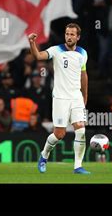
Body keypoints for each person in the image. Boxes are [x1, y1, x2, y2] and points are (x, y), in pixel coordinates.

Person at [28, 23, 90, 174]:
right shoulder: (56, 50)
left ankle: (78, 166)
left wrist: (85, 95)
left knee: (81, 129)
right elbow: (38, 56)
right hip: (60, 98)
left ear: (78, 37)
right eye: (67, 34)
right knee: (59, 134)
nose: (69, 37)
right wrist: (32, 43)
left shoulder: (83, 53)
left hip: (76, 97)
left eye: (72, 34)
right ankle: (44, 156)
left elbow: (84, 75)